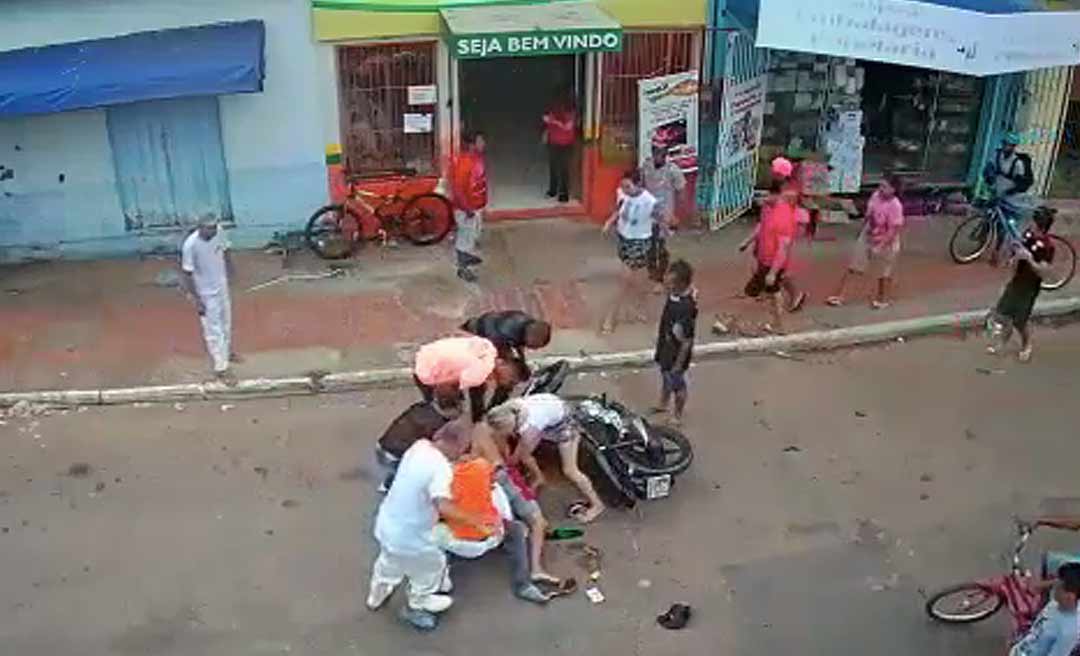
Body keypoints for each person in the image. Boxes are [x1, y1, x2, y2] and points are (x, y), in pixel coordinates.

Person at [366, 420, 496, 618]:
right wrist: (474, 520)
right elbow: (442, 504)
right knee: (432, 565)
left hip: (387, 524)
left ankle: (377, 594)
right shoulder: (440, 469)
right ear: (459, 446)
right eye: (464, 449)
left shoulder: (419, 447)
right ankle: (420, 599)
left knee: (389, 560)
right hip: (412, 536)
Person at [434, 455, 553, 604]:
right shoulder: (482, 466)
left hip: (459, 542)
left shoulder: (439, 482)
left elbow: (436, 513)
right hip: (492, 535)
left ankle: (435, 588)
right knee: (516, 529)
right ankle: (523, 585)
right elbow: (495, 487)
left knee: (430, 537)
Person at [486, 394, 606, 524]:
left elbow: (519, 456)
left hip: (566, 426)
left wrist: (506, 463)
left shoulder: (530, 429)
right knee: (525, 455)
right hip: (554, 405)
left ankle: (597, 505)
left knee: (570, 470)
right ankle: (539, 477)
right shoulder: (511, 407)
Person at [471, 416, 560, 588]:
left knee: (509, 515)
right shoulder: (497, 436)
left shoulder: (477, 429)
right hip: (504, 478)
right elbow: (507, 461)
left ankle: (517, 531)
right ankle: (536, 568)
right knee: (539, 522)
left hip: (486, 482)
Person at [738, 157, 806, 333]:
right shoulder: (770, 208)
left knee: (760, 291)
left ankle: (740, 321)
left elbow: (784, 246)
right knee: (769, 290)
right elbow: (762, 225)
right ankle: (777, 324)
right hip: (764, 254)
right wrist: (748, 241)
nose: (764, 199)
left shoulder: (784, 211)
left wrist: (774, 271)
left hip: (772, 259)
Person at [987, 207, 1056, 363]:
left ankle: (1027, 345)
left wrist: (1030, 259)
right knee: (1002, 314)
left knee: (1020, 321)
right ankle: (1003, 342)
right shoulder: (1028, 234)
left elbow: (1044, 272)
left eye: (1033, 221)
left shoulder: (1048, 247)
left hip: (1029, 289)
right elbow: (1019, 250)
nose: (1029, 224)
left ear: (1041, 225)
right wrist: (1014, 257)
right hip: (1016, 282)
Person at [826, 174, 905, 309]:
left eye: (885, 186)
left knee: (884, 272)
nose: (881, 189)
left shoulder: (895, 206)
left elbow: (894, 230)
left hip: (886, 240)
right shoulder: (875, 196)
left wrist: (881, 245)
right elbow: (869, 215)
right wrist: (864, 230)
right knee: (854, 266)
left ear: (893, 190)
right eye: (880, 185)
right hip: (869, 235)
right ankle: (840, 296)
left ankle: (882, 299)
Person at [180, 218, 241, 385]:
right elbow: (187, 274)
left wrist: (230, 269)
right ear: (200, 228)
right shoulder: (190, 245)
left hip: (221, 286)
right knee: (213, 330)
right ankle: (221, 368)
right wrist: (196, 299)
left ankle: (226, 352)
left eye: (214, 227)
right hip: (205, 293)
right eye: (209, 228)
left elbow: (226, 249)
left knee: (226, 322)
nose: (213, 231)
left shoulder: (219, 231)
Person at [412, 335, 527, 422]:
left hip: (429, 351)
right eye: (511, 380)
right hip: (427, 370)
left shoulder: (488, 347)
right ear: (503, 363)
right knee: (447, 409)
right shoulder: (480, 373)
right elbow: (444, 387)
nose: (508, 384)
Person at [601, 169, 661, 334]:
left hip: (639, 241)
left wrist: (666, 228)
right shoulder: (622, 193)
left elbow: (659, 219)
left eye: (628, 186)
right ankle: (641, 305)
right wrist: (609, 222)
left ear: (638, 184)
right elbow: (618, 209)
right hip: (623, 238)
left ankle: (610, 317)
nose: (625, 190)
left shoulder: (649, 201)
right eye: (623, 186)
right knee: (637, 278)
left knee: (624, 280)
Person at [375, 386, 462, 492]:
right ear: (451, 409)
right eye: (459, 409)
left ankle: (393, 477)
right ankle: (393, 485)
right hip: (395, 455)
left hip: (382, 447)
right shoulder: (437, 424)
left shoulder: (421, 407)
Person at [460, 310, 552, 406]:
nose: (535, 349)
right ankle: (478, 411)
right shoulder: (504, 334)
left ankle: (495, 406)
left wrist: (522, 364)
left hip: (492, 337)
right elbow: (496, 352)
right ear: (531, 339)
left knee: (507, 380)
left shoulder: (525, 325)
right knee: (480, 379)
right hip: (478, 337)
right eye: (535, 346)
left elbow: (517, 348)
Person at [651, 260, 698, 426]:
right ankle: (663, 402)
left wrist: (679, 364)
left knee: (677, 383)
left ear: (681, 284)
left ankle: (677, 415)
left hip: (676, 351)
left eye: (671, 283)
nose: (667, 284)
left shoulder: (686, 308)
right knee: (665, 374)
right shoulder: (676, 295)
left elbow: (687, 341)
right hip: (665, 343)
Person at [642, 141, 688, 288]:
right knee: (649, 245)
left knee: (662, 247)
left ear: (666, 155)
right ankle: (652, 271)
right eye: (655, 153)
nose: (658, 157)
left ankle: (660, 277)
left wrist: (678, 214)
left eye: (661, 154)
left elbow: (681, 190)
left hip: (665, 214)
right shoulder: (646, 167)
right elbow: (642, 186)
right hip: (649, 213)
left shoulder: (673, 170)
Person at [984, 132, 1036, 263]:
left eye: (1010, 145)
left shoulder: (1018, 163)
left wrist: (1009, 191)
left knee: (1008, 225)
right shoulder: (997, 155)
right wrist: (989, 178)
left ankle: (1005, 252)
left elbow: (1022, 183)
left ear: (1014, 147)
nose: (1006, 147)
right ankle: (985, 241)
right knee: (990, 215)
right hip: (998, 191)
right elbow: (988, 169)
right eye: (1005, 144)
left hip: (1013, 196)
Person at [1009, 562, 1080, 656]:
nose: (1054, 587)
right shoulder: (1056, 603)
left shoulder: (1068, 632)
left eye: (1059, 587)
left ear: (1069, 596)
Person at [451, 131, 489, 283]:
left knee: (472, 236)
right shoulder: (464, 162)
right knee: (465, 239)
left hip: (476, 206)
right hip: (467, 209)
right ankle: (463, 269)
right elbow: (458, 189)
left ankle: (467, 257)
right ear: (472, 145)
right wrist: (467, 209)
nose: (484, 143)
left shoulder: (477, 158)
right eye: (480, 141)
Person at [542, 96, 576, 203]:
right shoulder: (553, 110)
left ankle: (563, 193)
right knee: (553, 167)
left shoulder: (570, 113)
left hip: (566, 144)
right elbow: (545, 119)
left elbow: (568, 127)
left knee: (564, 169)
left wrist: (554, 122)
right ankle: (553, 190)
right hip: (553, 142)